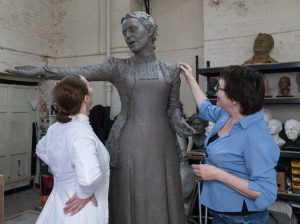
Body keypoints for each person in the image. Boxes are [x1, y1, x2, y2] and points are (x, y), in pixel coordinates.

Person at [7, 11, 194, 224]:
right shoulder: (118, 67)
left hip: (162, 143)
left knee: (161, 195)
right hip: (128, 142)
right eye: (124, 32)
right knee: (127, 197)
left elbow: (172, 109)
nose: (128, 36)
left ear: (150, 29)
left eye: (133, 29)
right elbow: (80, 70)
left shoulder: (170, 71)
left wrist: (180, 123)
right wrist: (44, 71)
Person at [180, 63, 279, 224]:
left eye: (219, 88)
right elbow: (205, 108)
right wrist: (190, 78)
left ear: (235, 98)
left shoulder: (256, 137)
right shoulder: (229, 115)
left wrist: (217, 174)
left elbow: (265, 191)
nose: (215, 91)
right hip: (222, 212)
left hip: (242, 219)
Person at [36, 75, 110, 224]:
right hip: (79, 213)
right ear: (86, 98)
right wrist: (84, 194)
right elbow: (89, 179)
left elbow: (40, 149)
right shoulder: (81, 133)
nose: (92, 88)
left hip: (59, 207)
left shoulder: (55, 129)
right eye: (89, 85)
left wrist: (63, 168)